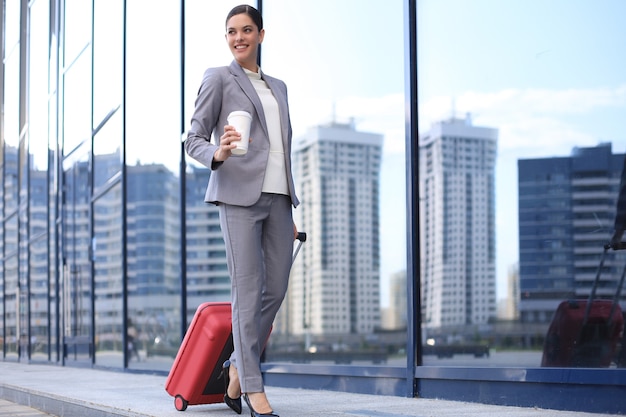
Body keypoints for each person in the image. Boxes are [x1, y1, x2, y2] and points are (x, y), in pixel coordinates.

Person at [184, 5, 299, 417]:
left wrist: (288, 202)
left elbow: (280, 149)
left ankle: (236, 367)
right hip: (237, 198)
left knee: (277, 288)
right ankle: (253, 388)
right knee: (247, 291)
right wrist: (216, 152)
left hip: (279, 201)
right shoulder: (218, 77)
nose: (239, 38)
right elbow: (192, 137)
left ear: (261, 35)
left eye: (247, 30)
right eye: (232, 32)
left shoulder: (279, 87)